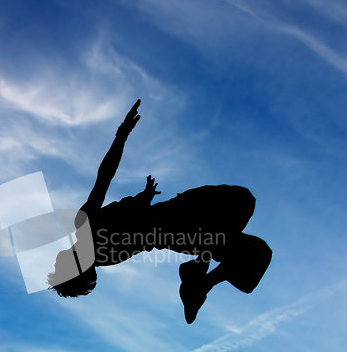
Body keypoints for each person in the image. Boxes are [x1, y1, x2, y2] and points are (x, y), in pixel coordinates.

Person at [48, 100, 272, 324]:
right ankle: (199, 277)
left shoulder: (104, 256)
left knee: (255, 259)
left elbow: (133, 226)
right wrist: (121, 135)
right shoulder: (87, 229)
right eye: (60, 266)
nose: (56, 260)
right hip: (179, 217)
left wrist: (141, 199)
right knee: (245, 214)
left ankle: (199, 276)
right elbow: (105, 178)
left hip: (179, 235)